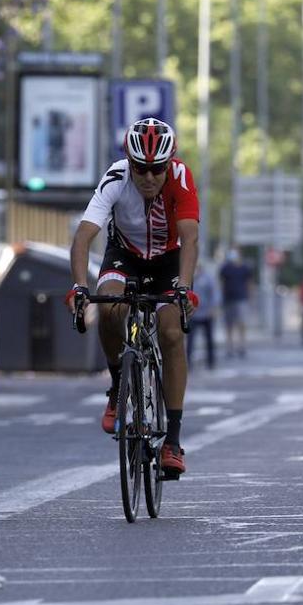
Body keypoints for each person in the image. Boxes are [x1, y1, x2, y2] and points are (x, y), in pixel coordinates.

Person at [65, 118, 200, 477]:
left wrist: (184, 287)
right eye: (141, 169)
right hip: (124, 256)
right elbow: (83, 238)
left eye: (158, 169)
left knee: (171, 332)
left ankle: (172, 440)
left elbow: (190, 238)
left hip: (169, 260)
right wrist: (79, 287)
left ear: (169, 162)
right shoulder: (115, 177)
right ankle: (116, 387)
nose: (150, 178)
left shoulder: (181, 177)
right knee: (109, 308)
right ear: (129, 162)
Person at [218, 249, 253, 357]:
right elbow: (221, 283)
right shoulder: (225, 268)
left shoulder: (244, 268)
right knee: (229, 324)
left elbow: (249, 283)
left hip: (241, 298)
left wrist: (250, 297)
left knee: (241, 323)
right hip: (228, 299)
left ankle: (242, 345)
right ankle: (229, 347)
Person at [188, 261, 219, 370]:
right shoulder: (189, 279)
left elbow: (214, 294)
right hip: (193, 315)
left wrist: (213, 309)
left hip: (207, 313)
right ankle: (188, 362)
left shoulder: (208, 278)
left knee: (209, 339)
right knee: (190, 340)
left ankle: (211, 362)